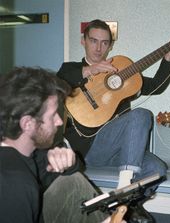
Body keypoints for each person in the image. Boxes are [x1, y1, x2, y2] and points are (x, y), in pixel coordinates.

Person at [57, 20, 170, 191]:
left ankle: (123, 207)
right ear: (83, 41)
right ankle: (124, 185)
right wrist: (89, 70)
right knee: (142, 114)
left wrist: (168, 58)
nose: (98, 48)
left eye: (104, 43)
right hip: (87, 149)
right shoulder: (70, 69)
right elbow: (57, 82)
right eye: (93, 41)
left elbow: (156, 86)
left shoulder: (120, 74)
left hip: (121, 152)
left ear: (110, 46)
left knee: (157, 170)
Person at [0, 67, 123, 223]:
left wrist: (68, 162)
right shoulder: (14, 183)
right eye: (52, 116)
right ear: (27, 124)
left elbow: (73, 171)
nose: (59, 121)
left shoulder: (30, 153)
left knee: (72, 181)